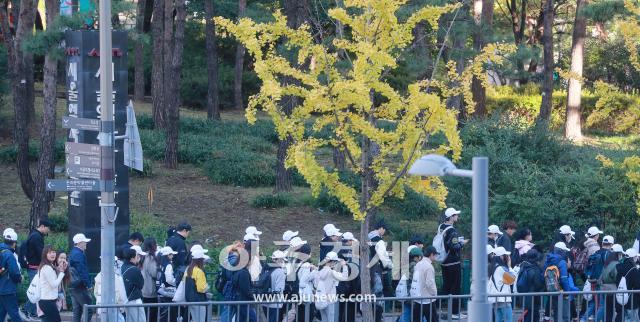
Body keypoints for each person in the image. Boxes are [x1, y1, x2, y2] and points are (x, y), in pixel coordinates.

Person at [438, 207, 467, 319]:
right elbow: (454, 246)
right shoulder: (452, 230)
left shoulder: (441, 227)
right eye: (455, 215)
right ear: (451, 217)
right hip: (453, 262)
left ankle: (435, 307)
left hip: (444, 260)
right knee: (455, 288)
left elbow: (446, 242)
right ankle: (455, 312)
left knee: (446, 287)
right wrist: (462, 243)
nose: (457, 217)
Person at [23, 219, 52, 321]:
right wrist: (49, 263)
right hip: (35, 268)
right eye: (48, 228)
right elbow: (41, 253)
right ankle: (27, 310)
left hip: (33, 267)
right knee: (35, 292)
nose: (49, 230)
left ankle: (31, 312)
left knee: (35, 290)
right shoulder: (36, 237)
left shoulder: (34, 234)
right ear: (43, 226)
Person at [582, 234, 614, 322]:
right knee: (602, 305)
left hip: (592, 281)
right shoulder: (609, 254)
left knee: (593, 303)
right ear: (611, 244)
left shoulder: (596, 252)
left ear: (602, 243)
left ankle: (583, 319)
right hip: (602, 283)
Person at [544, 242, 579, 320]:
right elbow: (564, 279)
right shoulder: (561, 262)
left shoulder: (548, 260)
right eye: (565, 251)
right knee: (565, 316)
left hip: (552, 290)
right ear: (561, 251)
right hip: (562, 291)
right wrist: (567, 292)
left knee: (557, 314)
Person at [594, 244, 624, 322]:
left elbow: (602, 277)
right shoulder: (617, 264)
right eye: (620, 254)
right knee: (620, 310)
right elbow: (616, 277)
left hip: (604, 289)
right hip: (614, 289)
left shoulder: (606, 264)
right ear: (618, 254)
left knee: (608, 311)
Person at [315, 251, 347, 322]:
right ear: (332, 262)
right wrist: (344, 266)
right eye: (335, 262)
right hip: (330, 299)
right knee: (331, 319)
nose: (335, 264)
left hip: (321, 299)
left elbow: (315, 285)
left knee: (324, 319)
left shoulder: (318, 272)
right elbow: (345, 277)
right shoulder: (332, 273)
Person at [37, 245, 66, 322]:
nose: (53, 254)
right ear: (45, 254)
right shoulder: (46, 267)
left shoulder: (50, 266)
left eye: (54, 252)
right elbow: (54, 284)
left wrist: (59, 269)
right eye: (49, 252)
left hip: (48, 301)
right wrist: (62, 273)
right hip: (47, 301)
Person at [410, 246, 439, 322]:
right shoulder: (429, 267)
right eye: (435, 255)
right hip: (428, 299)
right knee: (434, 319)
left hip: (418, 298)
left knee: (416, 319)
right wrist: (435, 293)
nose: (436, 256)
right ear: (432, 254)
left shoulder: (418, 264)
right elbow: (430, 283)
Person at [94, 256, 127, 322]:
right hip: (114, 307)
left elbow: (96, 292)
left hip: (101, 306)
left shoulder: (99, 276)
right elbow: (122, 295)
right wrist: (122, 307)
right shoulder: (116, 277)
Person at [69, 233, 93, 322]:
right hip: (80, 286)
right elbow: (82, 271)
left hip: (73, 286)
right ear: (79, 243)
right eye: (84, 242)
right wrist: (88, 284)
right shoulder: (79, 254)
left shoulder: (73, 252)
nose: (86, 243)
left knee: (77, 310)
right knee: (89, 309)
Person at [0, 228, 23, 322]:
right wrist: (20, 278)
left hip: (1, 288)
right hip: (8, 288)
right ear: (14, 243)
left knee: (1, 313)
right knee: (15, 314)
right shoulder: (9, 255)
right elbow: (14, 272)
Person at [488, 247, 516, 322]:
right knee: (508, 319)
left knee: (498, 320)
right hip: (504, 299)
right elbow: (512, 280)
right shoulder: (501, 268)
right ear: (501, 256)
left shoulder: (492, 267)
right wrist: (509, 267)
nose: (508, 257)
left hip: (495, 299)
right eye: (506, 255)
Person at [517, 249, 544, 322]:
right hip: (533, 299)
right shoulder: (535, 269)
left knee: (527, 317)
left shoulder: (523, 266)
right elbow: (538, 284)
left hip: (525, 297)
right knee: (534, 317)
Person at [122, 246, 147, 322]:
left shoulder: (122, 267)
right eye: (137, 256)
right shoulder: (134, 269)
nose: (138, 258)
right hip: (134, 299)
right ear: (132, 258)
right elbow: (141, 284)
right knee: (141, 319)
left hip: (126, 299)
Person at [614, 248, 640, 322]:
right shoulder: (634, 270)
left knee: (624, 317)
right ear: (633, 258)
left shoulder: (618, 267)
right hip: (632, 299)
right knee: (632, 318)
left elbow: (617, 282)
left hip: (621, 297)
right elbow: (638, 285)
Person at [185, 248, 209, 322]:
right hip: (199, 300)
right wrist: (207, 287)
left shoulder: (189, 269)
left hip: (190, 300)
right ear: (200, 260)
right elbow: (201, 288)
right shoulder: (199, 271)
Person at [263, 250, 287, 322]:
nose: (283, 262)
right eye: (282, 260)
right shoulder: (280, 272)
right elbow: (279, 289)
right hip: (275, 304)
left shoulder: (265, 269)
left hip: (264, 301)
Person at [157, 247, 178, 322]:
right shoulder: (169, 265)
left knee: (163, 314)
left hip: (162, 291)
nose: (172, 256)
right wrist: (176, 281)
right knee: (171, 314)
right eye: (171, 254)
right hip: (169, 291)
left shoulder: (160, 264)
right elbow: (169, 279)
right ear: (168, 255)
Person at [141, 238, 159, 322]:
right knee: (152, 316)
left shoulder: (142, 256)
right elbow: (154, 273)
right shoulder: (150, 257)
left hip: (143, 289)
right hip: (150, 290)